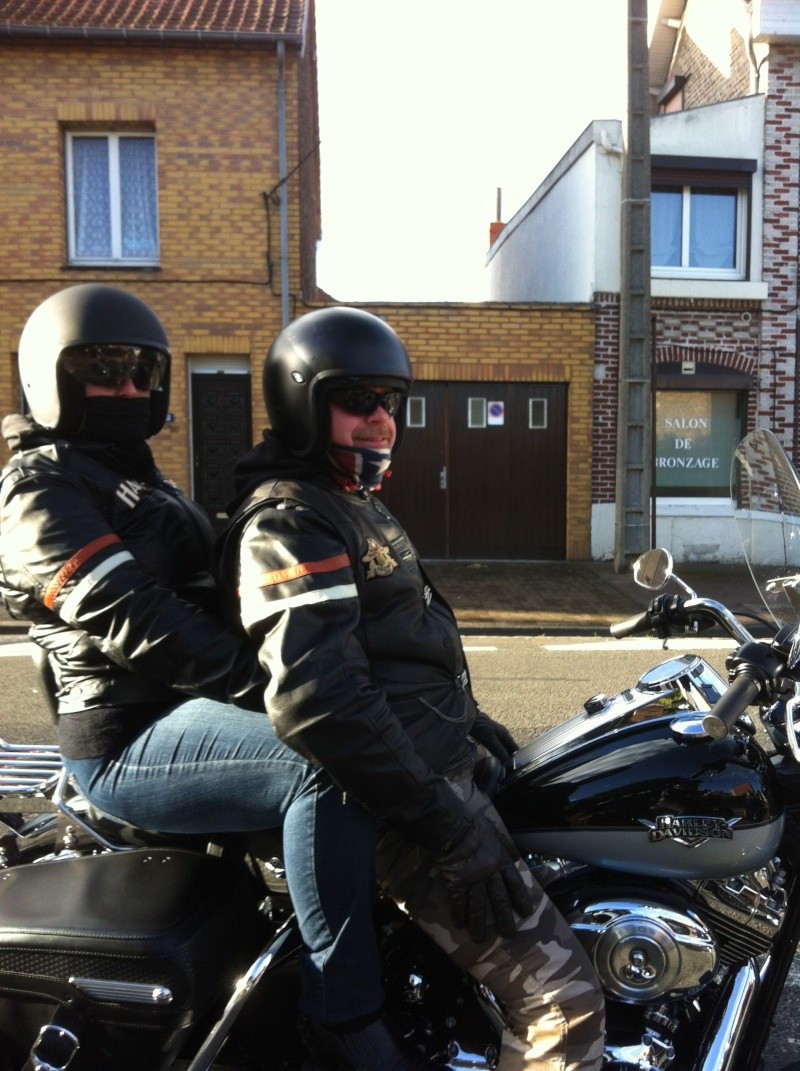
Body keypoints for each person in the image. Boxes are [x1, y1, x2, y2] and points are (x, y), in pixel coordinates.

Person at [0, 285, 421, 1071]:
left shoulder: (144, 482)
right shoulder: (37, 488)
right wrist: (278, 691)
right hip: (127, 733)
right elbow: (137, 617)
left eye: (140, 374)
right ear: (50, 377)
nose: (127, 389)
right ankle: (343, 1014)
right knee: (325, 761)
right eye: (103, 370)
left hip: (192, 714)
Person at [220, 305, 606, 1071]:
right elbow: (322, 698)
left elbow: (399, 653)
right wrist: (448, 827)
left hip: (434, 766)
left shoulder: (349, 502)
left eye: (390, 403)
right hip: (405, 799)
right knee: (562, 1001)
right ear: (302, 400)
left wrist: (472, 721)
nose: (380, 421)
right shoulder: (288, 522)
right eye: (357, 401)